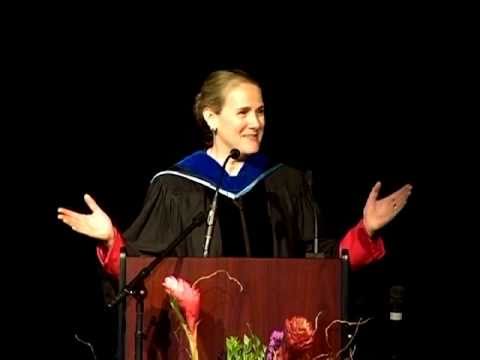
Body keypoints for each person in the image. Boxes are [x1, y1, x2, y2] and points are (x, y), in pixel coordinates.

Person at [58, 69, 412, 279]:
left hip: (277, 337)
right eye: (243, 112)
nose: (256, 123)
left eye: (260, 111)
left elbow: (319, 267)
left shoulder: (285, 184)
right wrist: (110, 240)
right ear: (211, 117)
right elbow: (146, 271)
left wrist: (365, 231)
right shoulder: (176, 186)